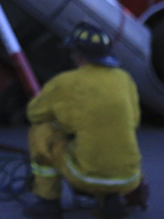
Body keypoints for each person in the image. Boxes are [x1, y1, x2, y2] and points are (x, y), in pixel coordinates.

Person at [25, 23, 143, 219]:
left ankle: (48, 202)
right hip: (130, 178)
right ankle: (111, 200)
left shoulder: (66, 81)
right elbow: (134, 120)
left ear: (78, 55)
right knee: (113, 135)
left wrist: (64, 122)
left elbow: (34, 113)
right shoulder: (125, 79)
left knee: (42, 131)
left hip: (86, 176)